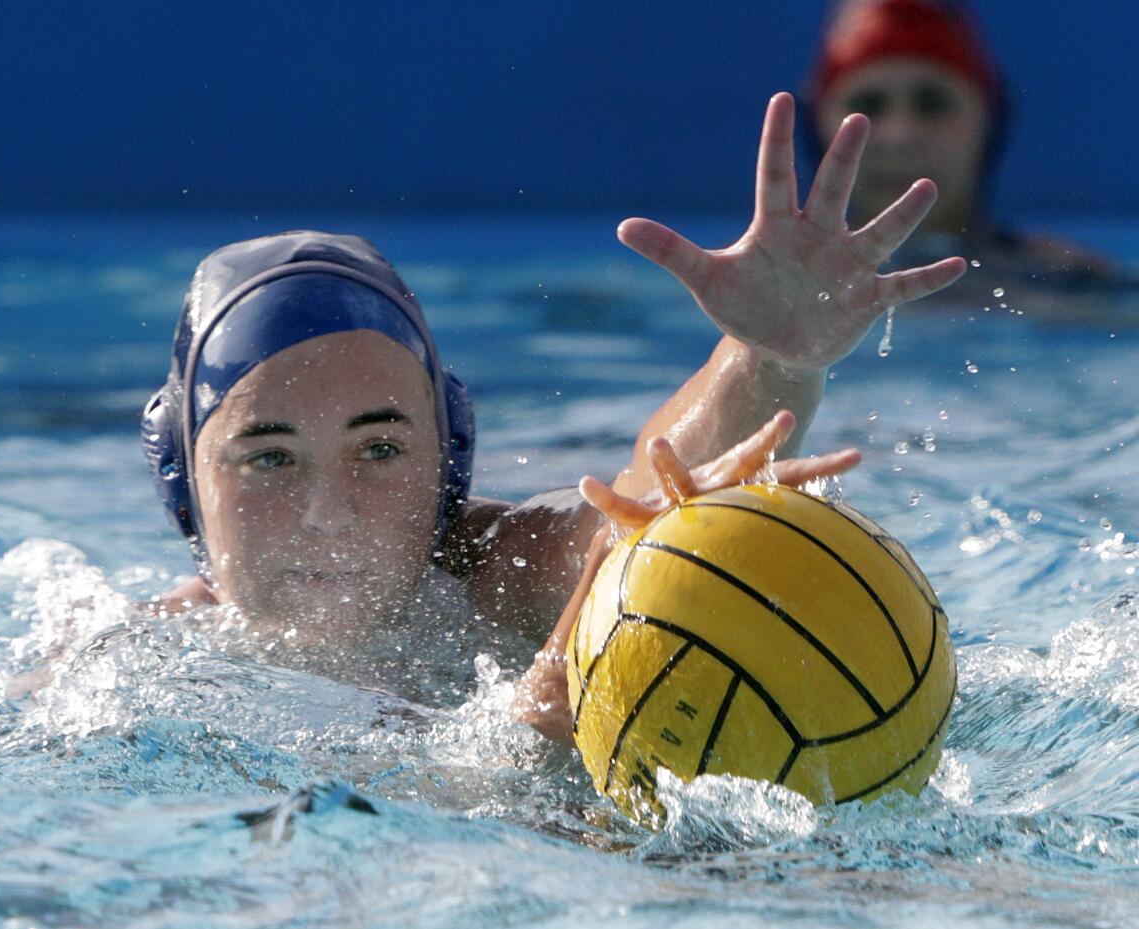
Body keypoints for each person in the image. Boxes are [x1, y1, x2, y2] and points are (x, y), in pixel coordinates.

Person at [137, 93, 964, 727]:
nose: (329, 512)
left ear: (446, 462)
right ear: (183, 484)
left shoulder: (489, 575)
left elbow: (628, 510)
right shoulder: (134, 672)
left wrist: (770, 360)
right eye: (270, 457)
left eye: (381, 449)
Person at [804, 0, 1137, 322]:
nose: (900, 136)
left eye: (932, 104)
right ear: (817, 128)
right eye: (868, 106)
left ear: (989, 121)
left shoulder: (1074, 281)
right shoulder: (785, 293)